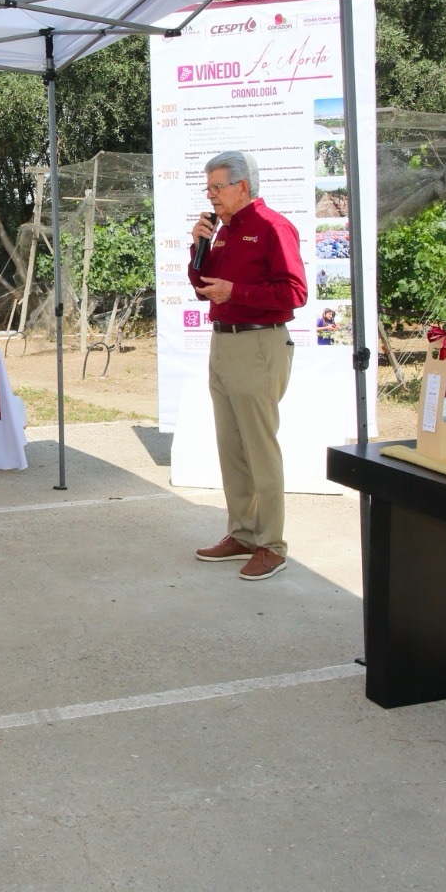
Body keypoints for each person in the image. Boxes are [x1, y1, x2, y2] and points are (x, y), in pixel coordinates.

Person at [189, 150, 307, 582]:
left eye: (217, 186)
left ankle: (271, 545)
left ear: (242, 186)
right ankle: (241, 534)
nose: (211, 195)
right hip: (223, 344)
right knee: (231, 447)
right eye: (209, 188)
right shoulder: (223, 231)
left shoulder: (273, 227)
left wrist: (235, 292)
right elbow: (204, 288)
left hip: (258, 343)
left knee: (259, 447)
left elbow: (294, 293)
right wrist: (198, 246)